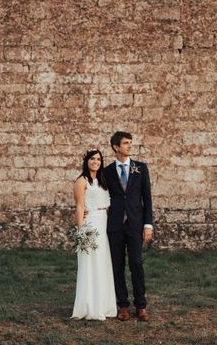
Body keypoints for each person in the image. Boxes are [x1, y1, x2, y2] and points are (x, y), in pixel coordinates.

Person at [104, 131, 154, 322]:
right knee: (117, 266)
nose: (129, 146)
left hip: (135, 224)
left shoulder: (140, 168)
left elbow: (146, 198)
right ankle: (123, 305)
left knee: (136, 263)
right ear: (116, 147)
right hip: (115, 225)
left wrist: (148, 224)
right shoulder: (107, 171)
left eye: (130, 143)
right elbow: (97, 191)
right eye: (126, 143)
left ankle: (141, 305)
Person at [71, 149, 117, 320]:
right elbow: (79, 206)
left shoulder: (102, 180)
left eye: (99, 159)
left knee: (102, 263)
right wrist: (81, 230)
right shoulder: (82, 181)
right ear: (86, 161)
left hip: (103, 222)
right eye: (92, 159)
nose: (96, 162)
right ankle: (90, 305)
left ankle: (104, 305)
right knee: (90, 264)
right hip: (90, 225)